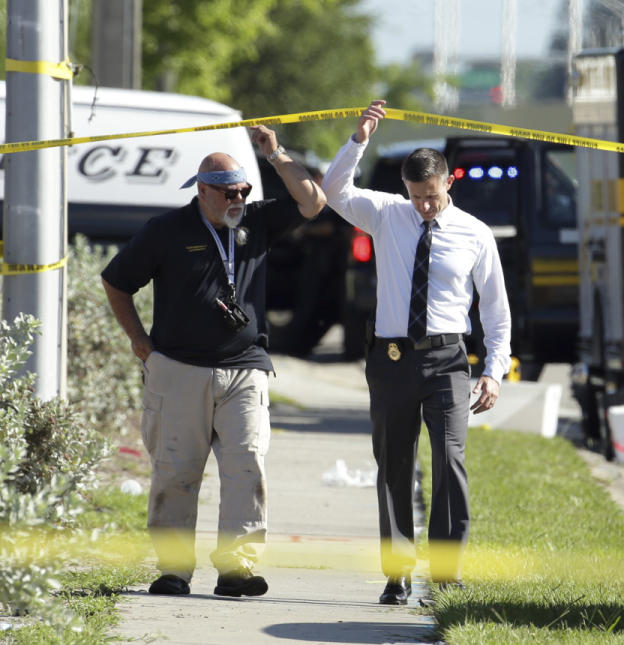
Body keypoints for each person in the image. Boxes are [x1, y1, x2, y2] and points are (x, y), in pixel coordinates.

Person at [101, 125, 325, 597]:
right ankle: (173, 571)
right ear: (202, 190)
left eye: (242, 190)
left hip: (245, 367)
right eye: (227, 192)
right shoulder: (166, 231)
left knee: (247, 465)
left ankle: (237, 569)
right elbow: (117, 282)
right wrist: (140, 341)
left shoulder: (257, 222)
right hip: (179, 369)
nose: (237, 198)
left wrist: (276, 154)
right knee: (176, 471)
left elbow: (312, 202)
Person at [322, 99, 511, 605]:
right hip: (391, 360)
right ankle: (398, 573)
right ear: (405, 190)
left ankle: (447, 576)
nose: (425, 206)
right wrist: (359, 139)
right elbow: (333, 190)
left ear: (448, 183)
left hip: (448, 360)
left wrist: (493, 371)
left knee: (449, 460)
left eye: (432, 195)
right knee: (393, 464)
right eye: (416, 196)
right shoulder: (387, 215)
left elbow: (495, 310)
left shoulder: (475, 233)